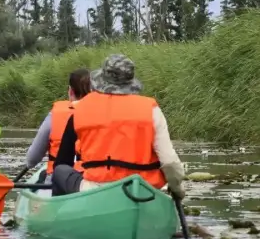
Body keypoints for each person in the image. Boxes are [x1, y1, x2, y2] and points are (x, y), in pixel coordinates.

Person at [52, 54, 186, 200]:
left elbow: (64, 158)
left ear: (101, 81)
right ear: (131, 82)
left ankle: (61, 212)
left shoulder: (81, 109)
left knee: (60, 171)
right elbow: (169, 162)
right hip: (142, 191)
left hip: (94, 191)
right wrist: (177, 189)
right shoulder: (152, 110)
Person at [23, 68, 92, 183]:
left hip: (58, 179)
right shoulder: (104, 114)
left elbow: (32, 159)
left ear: (70, 91)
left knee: (43, 176)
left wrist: (30, 164)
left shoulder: (54, 115)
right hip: (93, 179)